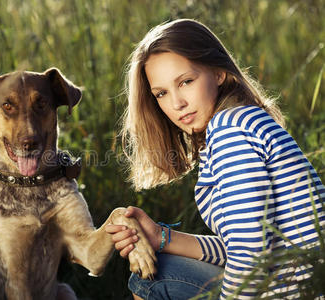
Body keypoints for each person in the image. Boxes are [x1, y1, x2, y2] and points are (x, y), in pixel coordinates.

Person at [105, 19, 324, 300]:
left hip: (295, 293)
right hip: (291, 285)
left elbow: (251, 256)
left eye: (185, 81)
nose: (176, 103)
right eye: (161, 93)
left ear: (219, 72)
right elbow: (243, 246)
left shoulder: (229, 131)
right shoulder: (242, 120)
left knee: (152, 279)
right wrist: (161, 237)